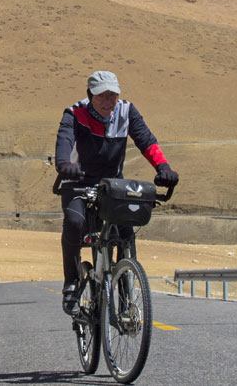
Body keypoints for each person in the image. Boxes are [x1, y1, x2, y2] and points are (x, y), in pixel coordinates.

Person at [54, 70, 179, 315]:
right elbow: (64, 142)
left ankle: (124, 298)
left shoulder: (126, 111)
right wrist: (64, 165)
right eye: (103, 96)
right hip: (77, 181)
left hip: (112, 185)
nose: (109, 101)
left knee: (125, 234)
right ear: (91, 95)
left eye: (113, 95)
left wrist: (163, 167)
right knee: (74, 220)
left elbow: (146, 141)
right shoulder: (74, 113)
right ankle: (71, 281)